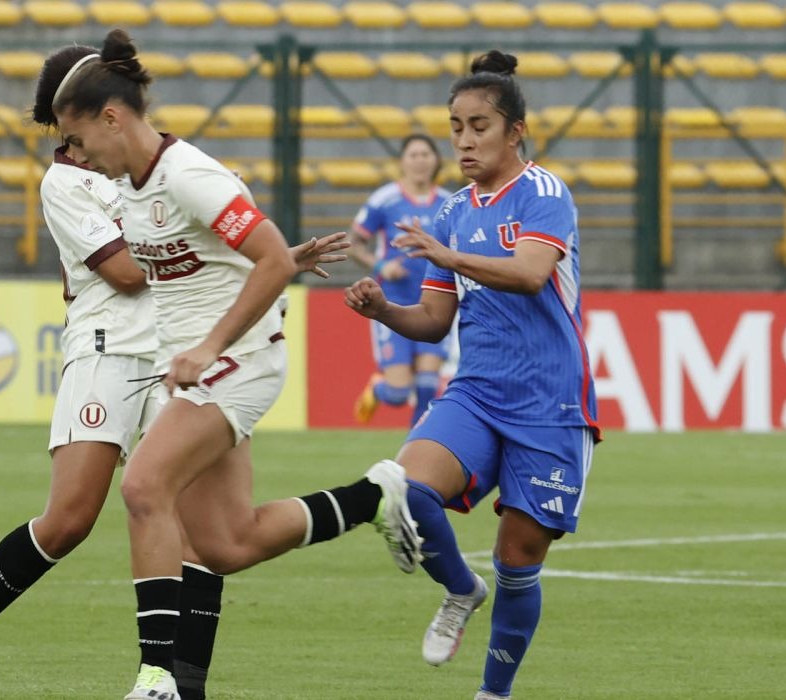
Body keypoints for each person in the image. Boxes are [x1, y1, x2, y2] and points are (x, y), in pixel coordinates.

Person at [0, 44, 351, 700]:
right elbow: (124, 274)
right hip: (109, 349)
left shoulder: (164, 167)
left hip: (187, 352)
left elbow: (213, 251)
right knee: (69, 519)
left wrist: (267, 260)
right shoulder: (66, 180)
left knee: (201, 534)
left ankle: (182, 685)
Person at [53, 29, 422, 700]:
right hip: (198, 366)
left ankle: (156, 677)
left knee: (141, 486)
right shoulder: (133, 186)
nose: (75, 157)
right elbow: (236, 254)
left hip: (238, 361)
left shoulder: (186, 173)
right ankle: (374, 496)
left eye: (77, 141)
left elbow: (271, 259)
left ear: (112, 117)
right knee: (225, 544)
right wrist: (266, 263)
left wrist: (212, 343)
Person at [344, 50, 601, 700]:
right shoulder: (453, 211)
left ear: (515, 131)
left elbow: (532, 273)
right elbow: (433, 319)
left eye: (478, 125)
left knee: (519, 560)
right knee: (404, 489)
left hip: (550, 406)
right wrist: (384, 310)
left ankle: (493, 694)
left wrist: (445, 253)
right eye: (456, 125)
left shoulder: (544, 192)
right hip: (479, 393)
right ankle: (460, 588)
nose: (463, 140)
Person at [350, 134, 453, 427]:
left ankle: (415, 451)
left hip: (436, 303)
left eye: (425, 154)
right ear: (402, 162)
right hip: (393, 303)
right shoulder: (385, 199)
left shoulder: (448, 203)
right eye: (413, 155)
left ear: (435, 161)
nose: (420, 161)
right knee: (397, 392)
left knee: (427, 385)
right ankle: (378, 389)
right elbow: (354, 243)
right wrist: (381, 265)